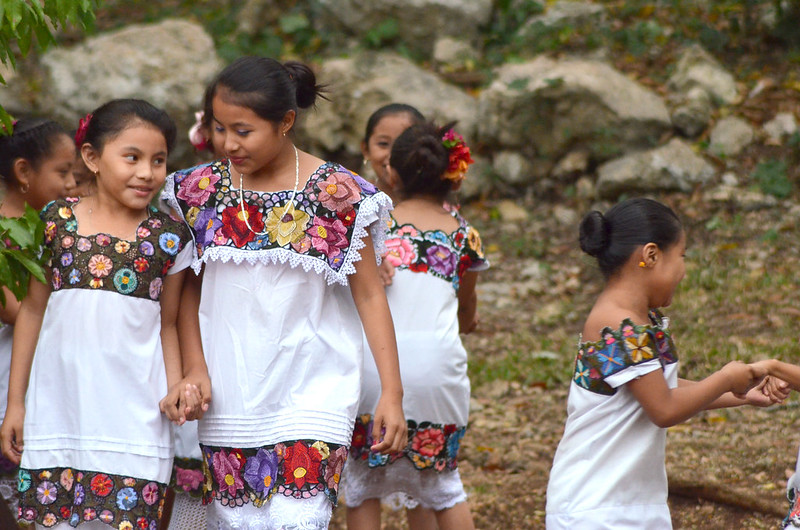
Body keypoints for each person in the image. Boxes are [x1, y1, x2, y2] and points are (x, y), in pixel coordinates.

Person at [162, 56, 406, 529]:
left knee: (301, 518)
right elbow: (186, 295)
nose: (228, 143)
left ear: (286, 122)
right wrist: (194, 369)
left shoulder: (339, 195)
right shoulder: (198, 194)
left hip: (315, 389)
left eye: (243, 130)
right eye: (218, 128)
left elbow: (371, 297)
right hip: (229, 392)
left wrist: (392, 393)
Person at [0, 99, 200, 529]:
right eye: (132, 157)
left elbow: (167, 324)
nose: (147, 172)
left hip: (136, 414)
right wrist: (16, 404)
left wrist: (175, 384)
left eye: (159, 160)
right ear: (91, 158)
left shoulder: (169, 237)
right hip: (61, 407)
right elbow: (33, 312)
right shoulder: (55, 222)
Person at [545, 197, 773, 529]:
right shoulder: (618, 324)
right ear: (651, 255)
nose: (683, 270)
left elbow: (657, 391)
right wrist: (726, 378)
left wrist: (740, 395)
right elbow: (663, 409)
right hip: (595, 507)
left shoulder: (640, 320)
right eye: (681, 256)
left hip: (627, 503)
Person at [342, 122, 486, 530]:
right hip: (438, 375)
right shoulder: (463, 234)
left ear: (392, 173)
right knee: (442, 484)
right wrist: (468, 318)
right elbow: (466, 310)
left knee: (363, 485)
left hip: (373, 368)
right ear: (450, 174)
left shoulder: (371, 226)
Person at [0, 117, 77, 525]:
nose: (71, 184)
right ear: (24, 171)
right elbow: (14, 309)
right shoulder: (8, 234)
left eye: (75, 174)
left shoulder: (49, 227)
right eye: (62, 172)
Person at [361, 104, 425, 203]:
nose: (392, 155)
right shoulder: (353, 201)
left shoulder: (438, 206)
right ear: (366, 149)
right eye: (383, 143)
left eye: (405, 144)